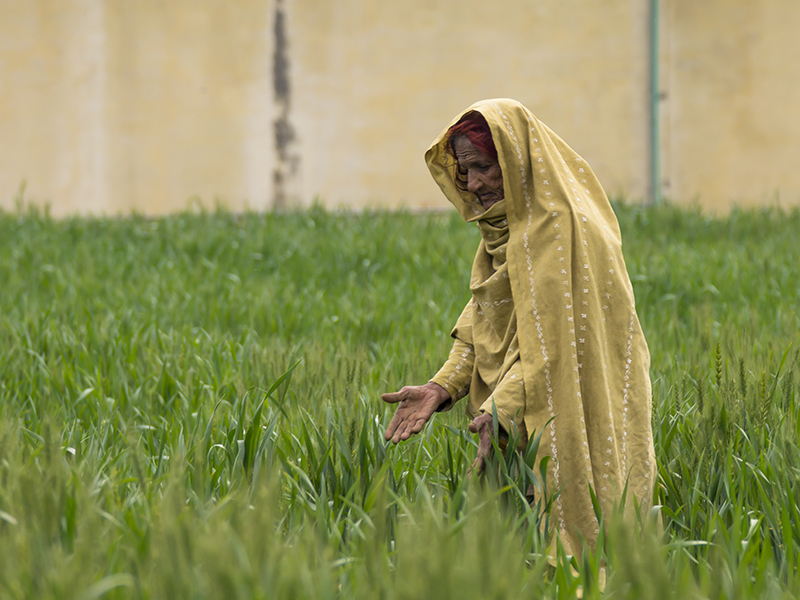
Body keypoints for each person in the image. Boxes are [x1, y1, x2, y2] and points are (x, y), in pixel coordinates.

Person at [382, 98, 655, 555]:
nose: (472, 183)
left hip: (570, 407)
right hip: (508, 418)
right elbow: (481, 322)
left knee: (575, 548)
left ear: (515, 161)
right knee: (511, 553)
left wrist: (500, 407)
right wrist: (440, 387)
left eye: (483, 166)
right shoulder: (502, 233)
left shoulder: (564, 231)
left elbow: (557, 347)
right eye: (464, 170)